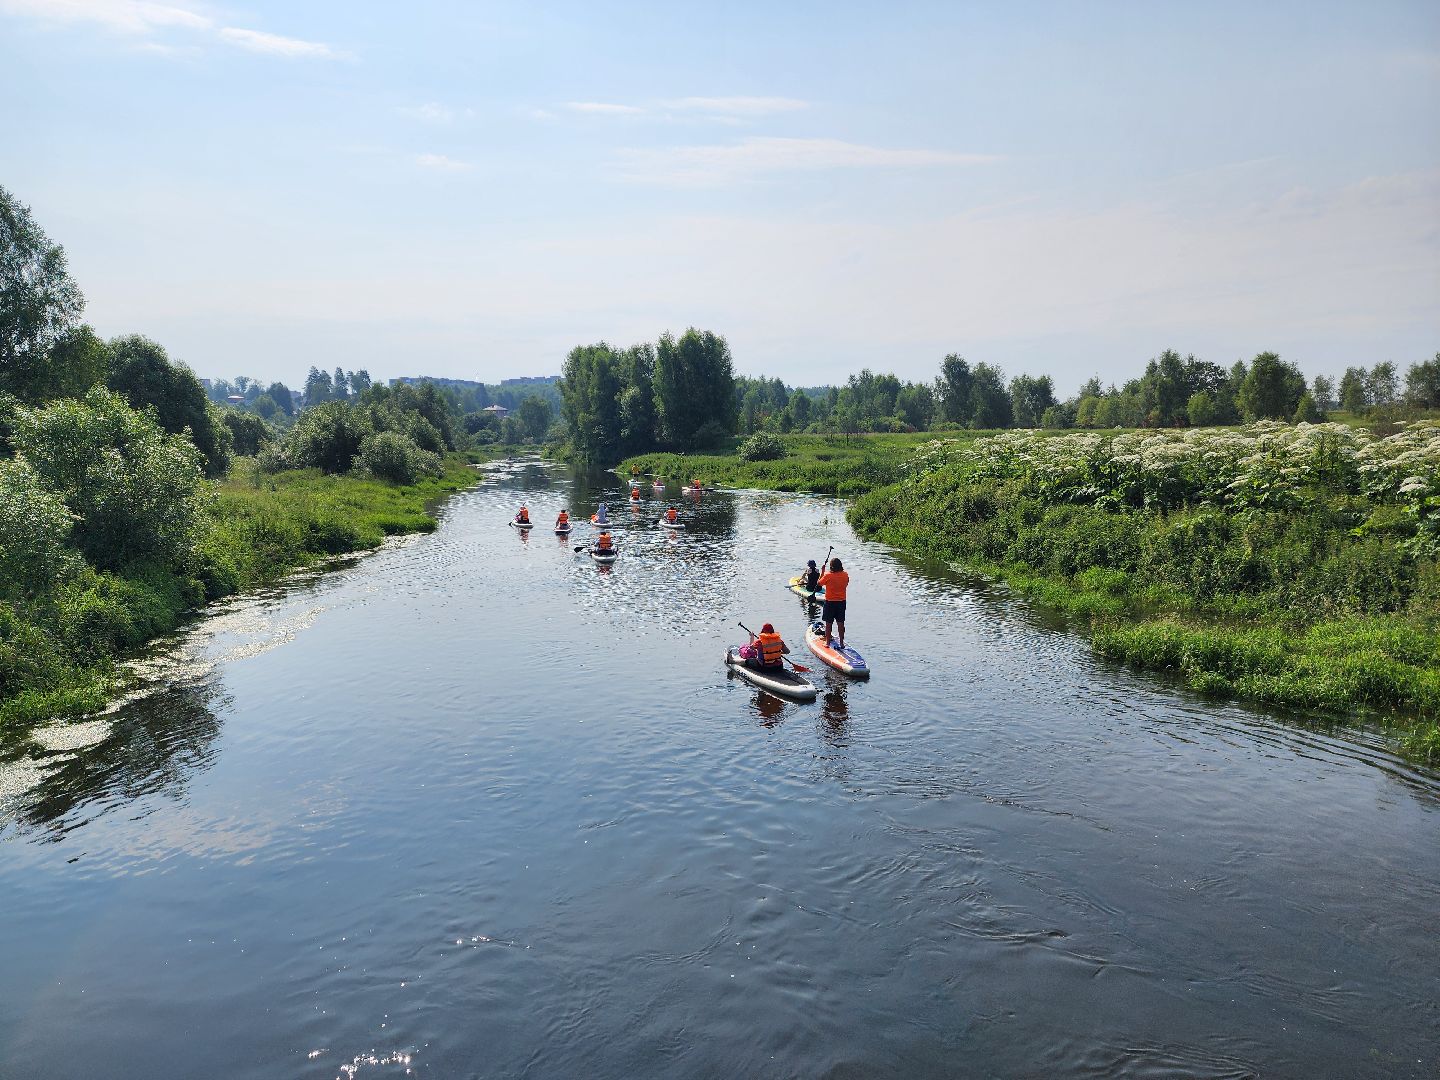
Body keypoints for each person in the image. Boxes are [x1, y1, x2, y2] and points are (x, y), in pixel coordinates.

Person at [817, 557, 849, 648]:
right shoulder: (845, 574)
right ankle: (842, 643)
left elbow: (819, 584)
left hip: (830, 602)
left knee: (828, 623)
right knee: (841, 623)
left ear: (831, 566)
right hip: (842, 602)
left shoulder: (827, 575)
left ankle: (827, 643)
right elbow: (846, 584)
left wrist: (822, 572)